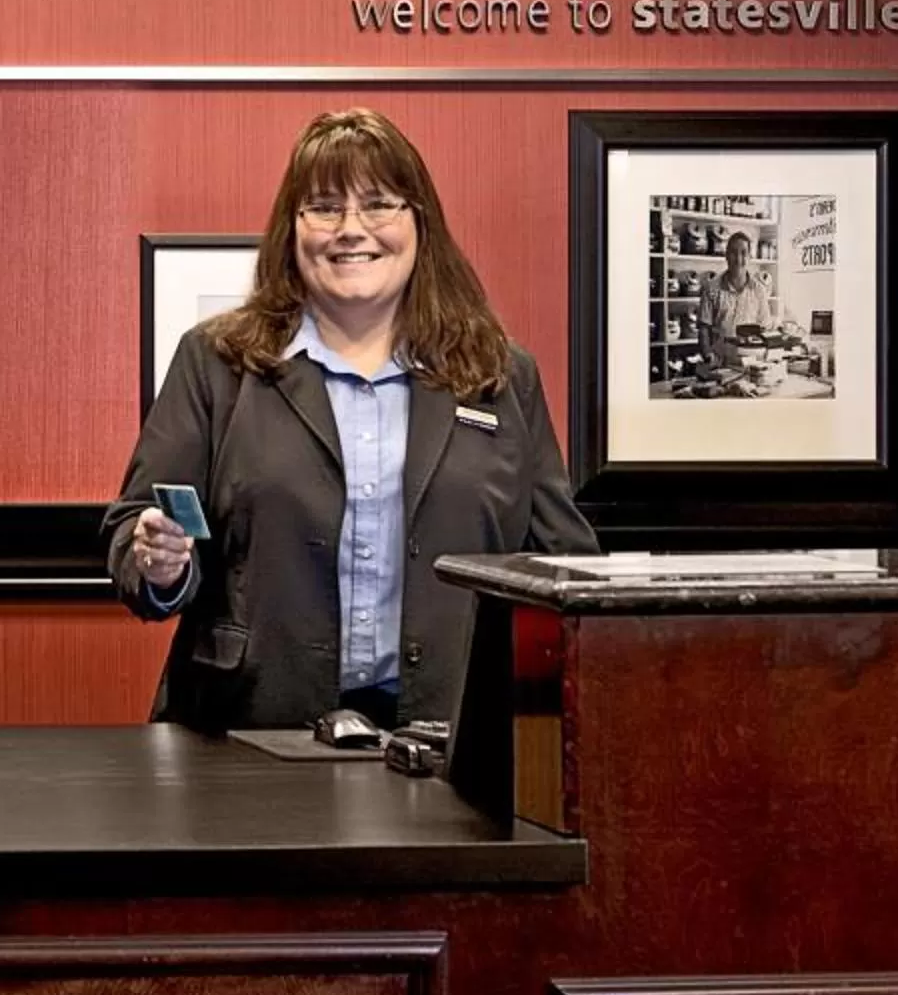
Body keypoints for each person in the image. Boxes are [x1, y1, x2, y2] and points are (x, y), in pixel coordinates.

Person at [104, 108, 598, 735]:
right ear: (293, 229)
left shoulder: (498, 375)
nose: (351, 230)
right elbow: (134, 527)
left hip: (453, 736)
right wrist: (158, 561)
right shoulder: (218, 362)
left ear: (421, 224)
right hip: (248, 730)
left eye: (379, 205)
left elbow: (563, 561)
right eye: (324, 208)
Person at [695, 230, 776, 392]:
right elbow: (703, 329)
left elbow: (764, 329)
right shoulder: (711, 289)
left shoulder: (759, 290)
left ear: (750, 257)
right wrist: (708, 356)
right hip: (720, 366)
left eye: (744, 253)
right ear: (726, 255)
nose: (739, 259)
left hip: (751, 366)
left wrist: (766, 361)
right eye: (733, 253)